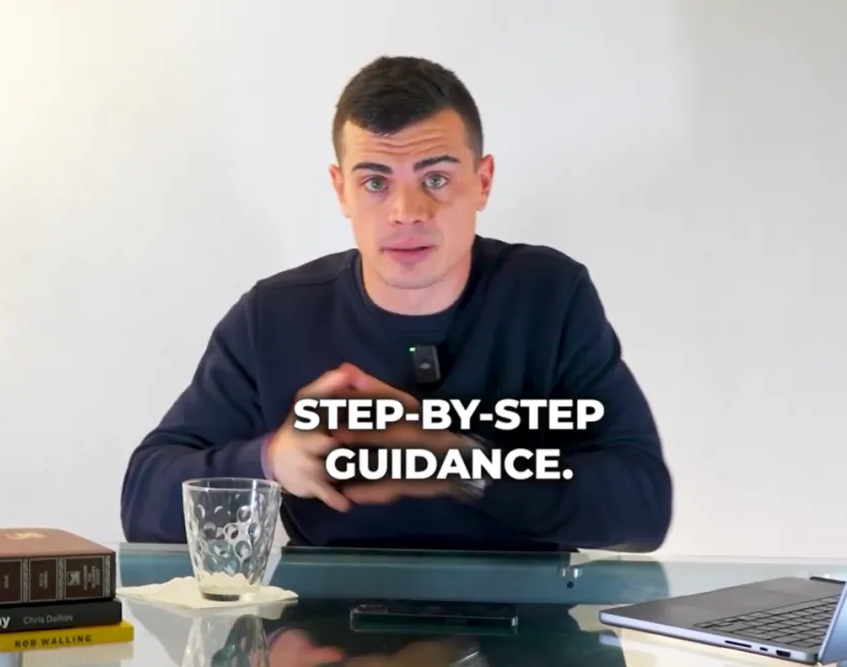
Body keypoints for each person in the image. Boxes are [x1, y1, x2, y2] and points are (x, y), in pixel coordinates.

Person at [120, 55, 673, 552]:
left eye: (436, 178)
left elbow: (643, 508)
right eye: (375, 183)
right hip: (328, 624)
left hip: (522, 619)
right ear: (341, 190)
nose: (407, 211)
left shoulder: (549, 296)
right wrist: (271, 461)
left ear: (482, 181)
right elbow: (143, 500)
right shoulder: (275, 316)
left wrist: (459, 461)